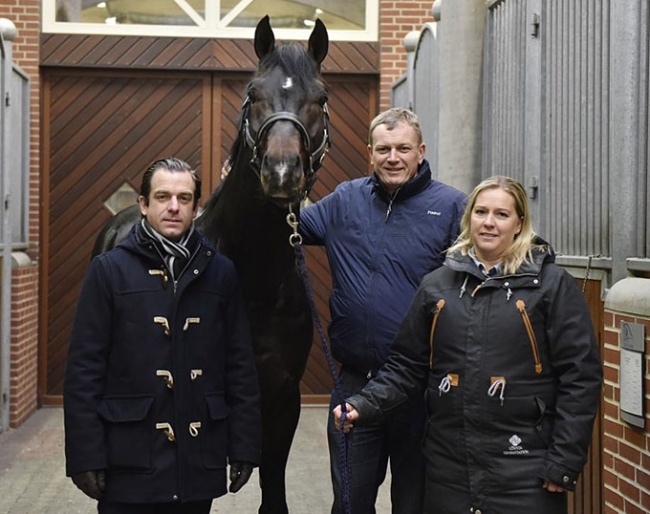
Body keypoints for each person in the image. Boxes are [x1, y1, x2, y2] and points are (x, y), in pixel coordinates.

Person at [334, 175, 603, 514]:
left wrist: (564, 461)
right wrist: (364, 403)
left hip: (525, 472)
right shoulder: (437, 285)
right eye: (480, 212)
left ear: (520, 224)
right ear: (468, 218)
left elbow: (580, 377)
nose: (488, 222)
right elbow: (406, 365)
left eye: (501, 215)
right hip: (449, 472)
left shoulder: (550, 286)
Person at [63, 157, 261, 514]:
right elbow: (83, 371)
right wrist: (84, 454)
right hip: (129, 462)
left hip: (196, 462)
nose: (173, 207)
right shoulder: (108, 271)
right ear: (143, 204)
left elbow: (240, 365)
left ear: (196, 206)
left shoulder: (220, 272)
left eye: (184, 199)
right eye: (163, 197)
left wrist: (245, 446)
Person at [299, 107, 467, 513]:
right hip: (356, 383)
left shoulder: (452, 208)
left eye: (403, 148)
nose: (393, 157)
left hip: (421, 388)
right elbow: (288, 227)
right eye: (384, 149)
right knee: (350, 502)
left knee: (415, 503)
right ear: (369, 153)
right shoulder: (344, 200)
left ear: (421, 151)